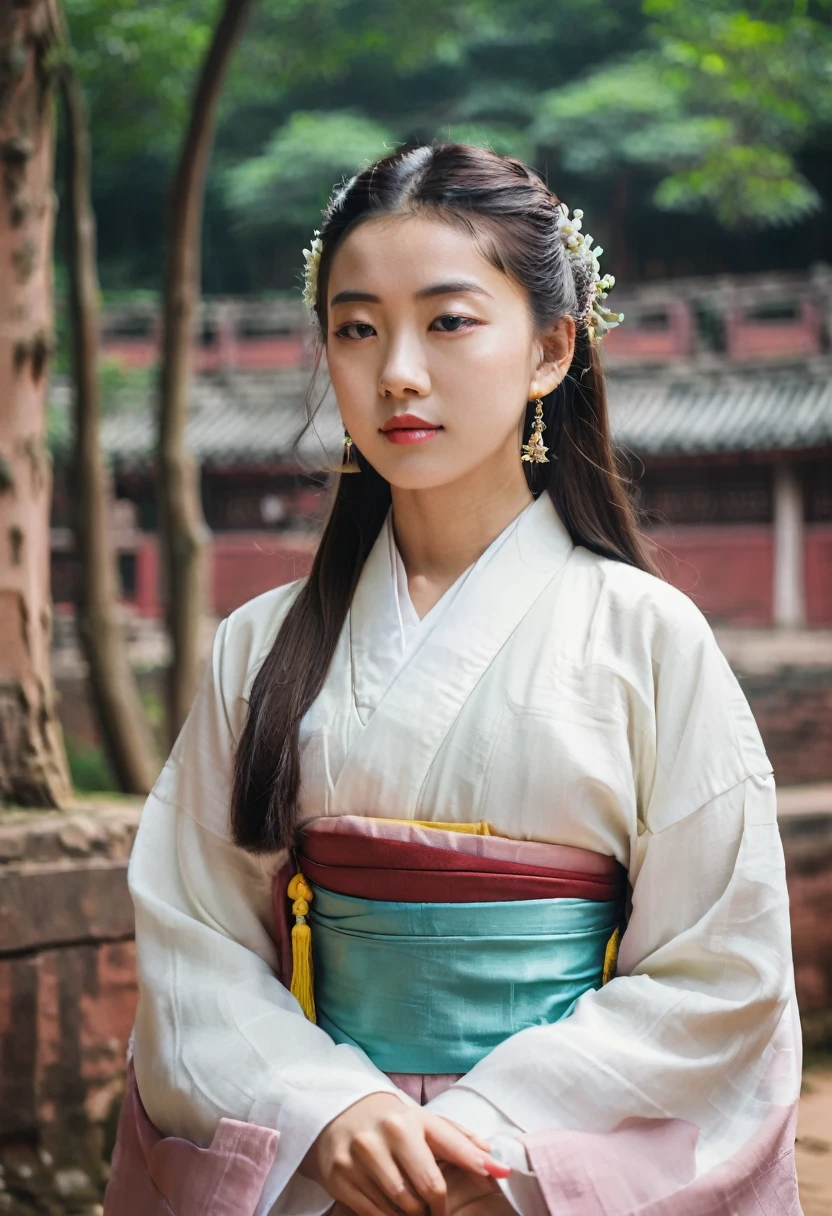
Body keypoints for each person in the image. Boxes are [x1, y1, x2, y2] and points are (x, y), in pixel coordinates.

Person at [105, 143, 802, 1216]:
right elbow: (195, 937)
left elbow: (720, 969)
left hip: (536, 1171)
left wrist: (496, 1131)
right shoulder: (259, 647)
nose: (396, 371)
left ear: (549, 348)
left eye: (448, 320)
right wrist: (324, 1109)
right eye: (355, 326)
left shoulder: (647, 637)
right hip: (330, 1175)